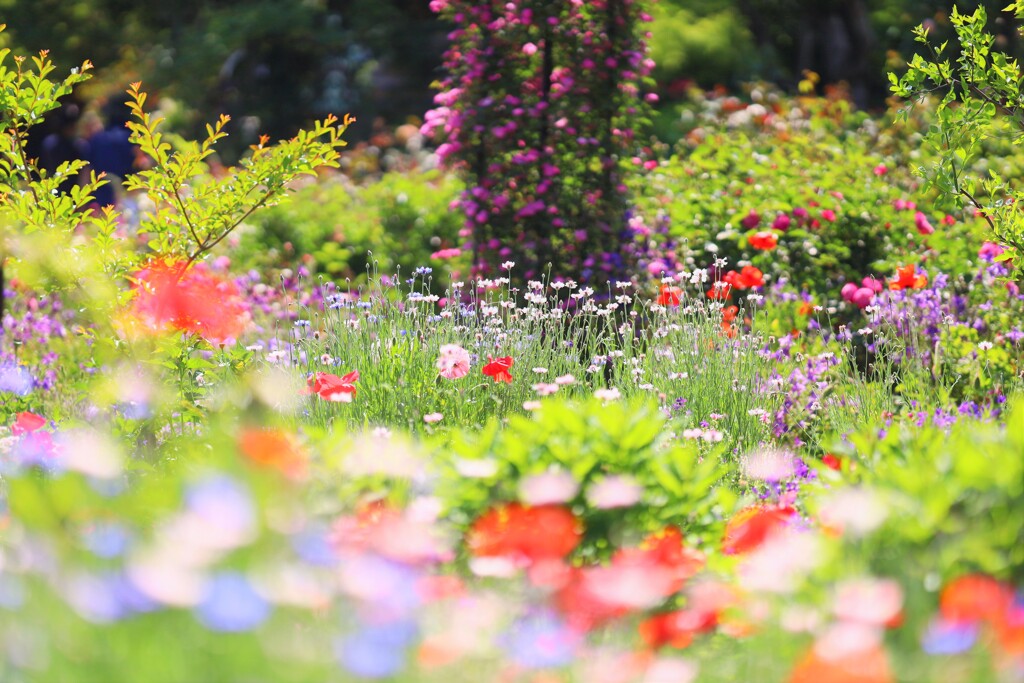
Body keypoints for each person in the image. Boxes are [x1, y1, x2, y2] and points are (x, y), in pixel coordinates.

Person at [85, 99, 138, 209]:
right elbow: (139, 167)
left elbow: (87, 170)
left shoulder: (97, 139)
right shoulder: (132, 138)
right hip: (127, 199)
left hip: (99, 198)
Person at [38, 102, 89, 194]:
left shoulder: (49, 143)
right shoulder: (80, 145)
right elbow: (84, 174)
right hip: (72, 194)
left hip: (54, 191)